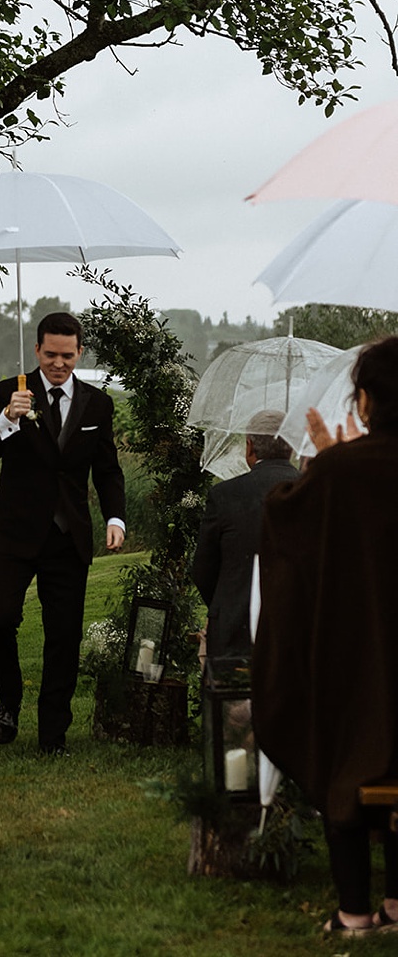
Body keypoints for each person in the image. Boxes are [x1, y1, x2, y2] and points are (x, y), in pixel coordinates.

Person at [252, 336, 398, 937]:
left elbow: (286, 523)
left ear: (365, 401)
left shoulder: (343, 470)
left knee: (349, 763)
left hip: (357, 649)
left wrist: (325, 468)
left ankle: (355, 912)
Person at [0, 311, 124, 755]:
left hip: (68, 535)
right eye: (50, 354)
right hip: (13, 532)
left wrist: (115, 518)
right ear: (37, 350)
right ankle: (9, 699)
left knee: (64, 636)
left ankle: (52, 734)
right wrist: (8, 419)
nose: (58, 363)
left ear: (79, 352)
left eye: (67, 355)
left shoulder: (98, 404)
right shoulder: (9, 392)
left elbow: (108, 469)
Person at [190, 409, 298, 662]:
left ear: (249, 447)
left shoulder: (224, 495)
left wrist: (225, 604)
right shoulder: (312, 490)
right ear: (291, 448)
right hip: (295, 629)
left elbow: (203, 569)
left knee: (230, 700)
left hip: (232, 629)